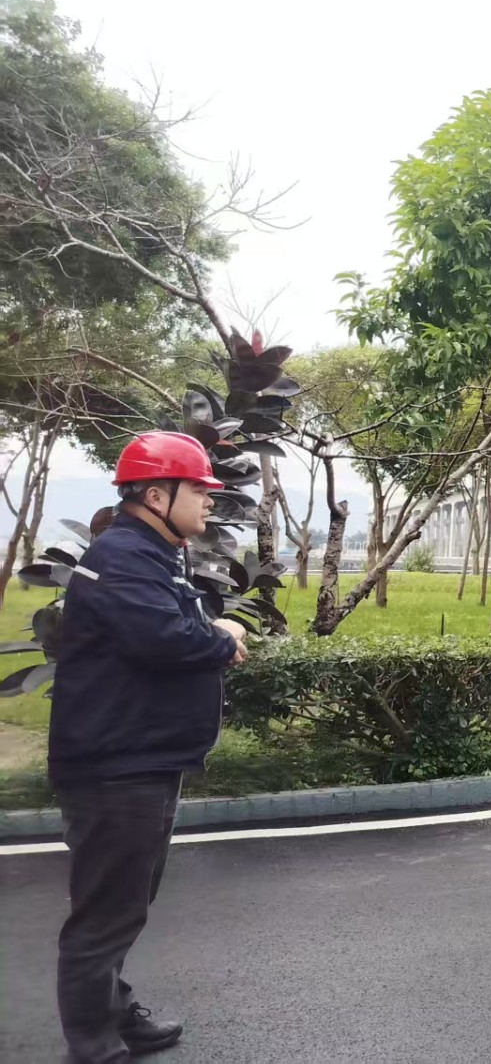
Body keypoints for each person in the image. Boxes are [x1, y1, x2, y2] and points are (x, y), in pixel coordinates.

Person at [48, 431, 250, 1063]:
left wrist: (210, 628)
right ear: (157, 495)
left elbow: (169, 628)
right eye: (199, 489)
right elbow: (167, 640)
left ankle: (114, 1014)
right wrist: (223, 637)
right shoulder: (125, 558)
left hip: (141, 759)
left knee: (125, 905)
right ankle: (94, 1045)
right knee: (106, 912)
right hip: (116, 767)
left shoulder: (151, 553)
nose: (209, 501)